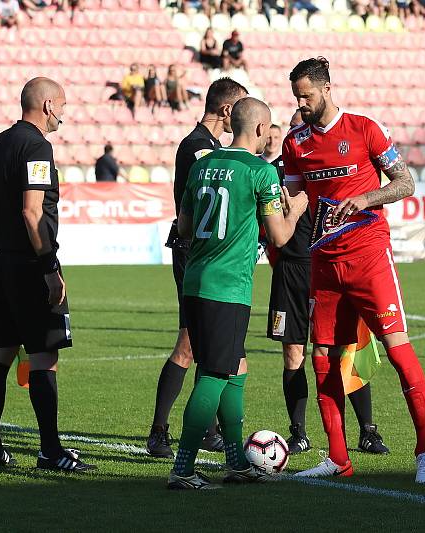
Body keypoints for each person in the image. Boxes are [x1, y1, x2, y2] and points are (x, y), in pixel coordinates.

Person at [282, 57, 425, 483]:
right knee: (323, 357)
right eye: (297, 96)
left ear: (327, 89)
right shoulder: (295, 143)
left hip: (370, 258)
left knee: (396, 348)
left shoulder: (366, 128)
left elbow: (405, 183)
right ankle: (338, 458)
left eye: (307, 95)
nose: (301, 102)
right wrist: (275, 217)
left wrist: (368, 198)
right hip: (324, 266)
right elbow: (297, 201)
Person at [167, 97, 309, 489]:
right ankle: (182, 469)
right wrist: (296, 208)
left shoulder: (202, 164)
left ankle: (236, 462)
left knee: (236, 368)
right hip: (227, 288)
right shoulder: (261, 172)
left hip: (196, 280)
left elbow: (184, 226)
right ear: (262, 130)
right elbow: (280, 235)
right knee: (214, 375)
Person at [0, 77, 96, 472]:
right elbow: (32, 211)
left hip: (3, 264)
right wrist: (49, 266)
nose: (64, 112)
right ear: (46, 105)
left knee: (1, 353)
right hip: (30, 266)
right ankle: (50, 451)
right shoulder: (37, 147)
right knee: (44, 357)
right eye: (62, 104)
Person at [266, 113, 390, 456]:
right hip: (290, 274)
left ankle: (367, 430)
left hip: (330, 268)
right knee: (293, 353)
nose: (302, 131)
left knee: (347, 351)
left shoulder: (332, 161)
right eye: (295, 126)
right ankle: (299, 433)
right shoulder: (274, 173)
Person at [146, 78, 249, 458]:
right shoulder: (197, 148)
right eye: (238, 108)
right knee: (189, 344)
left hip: (205, 253)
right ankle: (159, 432)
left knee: (211, 348)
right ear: (226, 111)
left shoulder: (211, 148)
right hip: (194, 252)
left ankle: (210, 430)